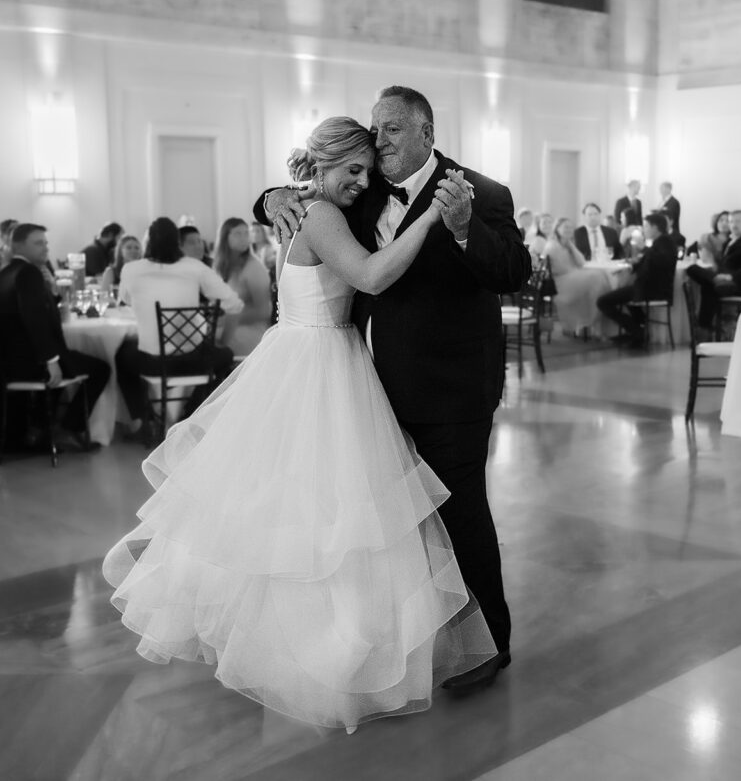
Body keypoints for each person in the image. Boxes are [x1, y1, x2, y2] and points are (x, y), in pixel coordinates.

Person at [103, 117, 497, 732]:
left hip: (315, 357)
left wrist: (277, 195)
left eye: (369, 170)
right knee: (328, 520)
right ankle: (322, 654)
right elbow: (368, 277)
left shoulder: (317, 206)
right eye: (353, 169)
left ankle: (326, 645)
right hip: (319, 365)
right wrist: (427, 220)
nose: (363, 182)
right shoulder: (316, 215)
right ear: (320, 164)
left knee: (312, 515)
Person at [256, 86, 530, 693]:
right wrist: (270, 196)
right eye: (375, 131)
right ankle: (417, 638)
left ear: (427, 132)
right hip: (369, 390)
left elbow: (513, 271)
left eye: (392, 131)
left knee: (460, 513)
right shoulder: (369, 184)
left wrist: (462, 231)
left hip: (453, 388)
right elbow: (319, 199)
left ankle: (489, 645)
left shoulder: (481, 192)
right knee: (395, 525)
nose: (379, 142)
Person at [115, 217, 243, 444]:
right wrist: (209, 317)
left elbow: (125, 299)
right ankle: (190, 416)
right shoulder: (194, 267)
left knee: (120, 354)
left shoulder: (132, 269)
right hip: (194, 359)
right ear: (177, 242)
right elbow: (234, 303)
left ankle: (139, 419)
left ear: (148, 242)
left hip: (152, 362)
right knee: (225, 357)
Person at [0, 223, 108, 451]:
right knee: (101, 368)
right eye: (38, 243)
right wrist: (51, 361)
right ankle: (71, 427)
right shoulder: (28, 272)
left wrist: (52, 293)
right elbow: (34, 320)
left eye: (46, 243)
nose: (45, 248)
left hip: (11, 362)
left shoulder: (7, 273)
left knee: (72, 364)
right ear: (18, 245)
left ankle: (42, 428)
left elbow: (33, 310)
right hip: (33, 361)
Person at [596, 212, 677, 348]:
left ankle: (636, 331)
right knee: (624, 296)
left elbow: (660, 262)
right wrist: (634, 263)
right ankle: (636, 331)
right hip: (648, 287)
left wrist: (643, 249)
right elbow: (649, 261)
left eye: (646, 226)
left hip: (654, 289)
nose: (643, 230)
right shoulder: (660, 242)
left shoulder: (665, 242)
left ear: (655, 227)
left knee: (603, 302)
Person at [685, 210, 741, 329]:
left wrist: (729, 277)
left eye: (738, 221)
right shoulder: (729, 241)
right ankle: (705, 326)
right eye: (731, 221)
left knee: (709, 286)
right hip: (724, 280)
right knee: (692, 269)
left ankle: (703, 328)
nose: (734, 225)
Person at [213, 217, 274, 357]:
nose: (244, 238)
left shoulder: (254, 267)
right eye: (237, 233)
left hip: (249, 331)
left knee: (207, 343)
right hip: (227, 326)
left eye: (246, 233)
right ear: (225, 237)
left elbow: (264, 311)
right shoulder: (221, 266)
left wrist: (229, 319)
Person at [543, 217, 612, 333]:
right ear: (557, 229)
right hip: (561, 281)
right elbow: (561, 268)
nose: (568, 230)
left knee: (601, 275)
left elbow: (581, 262)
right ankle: (589, 321)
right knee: (596, 277)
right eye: (565, 227)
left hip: (572, 276)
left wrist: (570, 246)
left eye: (570, 227)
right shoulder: (552, 245)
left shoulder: (568, 244)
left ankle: (594, 321)